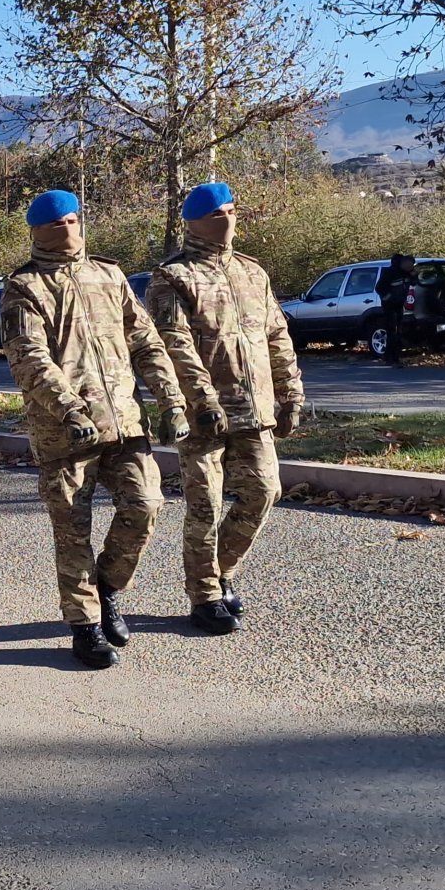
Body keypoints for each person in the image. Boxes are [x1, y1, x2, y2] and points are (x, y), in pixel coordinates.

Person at [2, 190, 189, 668]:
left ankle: (106, 587)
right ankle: (84, 626)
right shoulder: (25, 288)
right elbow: (30, 359)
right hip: (65, 433)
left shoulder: (109, 275)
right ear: (36, 231)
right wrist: (69, 409)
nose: (66, 229)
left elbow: (145, 342)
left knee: (145, 506)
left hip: (125, 423)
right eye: (54, 223)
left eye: (72, 219)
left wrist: (169, 398)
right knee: (72, 532)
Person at [145, 182, 306, 635]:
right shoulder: (173, 277)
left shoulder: (252, 273)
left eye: (233, 211)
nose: (228, 220)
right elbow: (173, 345)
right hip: (203, 416)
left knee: (263, 492)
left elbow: (276, 335)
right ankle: (205, 595)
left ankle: (221, 571)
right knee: (205, 505)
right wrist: (202, 399)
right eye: (217, 214)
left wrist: (290, 391)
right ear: (193, 222)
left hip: (253, 412)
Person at [375, 253, 415, 366]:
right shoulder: (389, 273)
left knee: (397, 331)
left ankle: (391, 356)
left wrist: (414, 275)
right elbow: (379, 288)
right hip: (389, 306)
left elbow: (414, 282)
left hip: (399, 304)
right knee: (392, 330)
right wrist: (388, 297)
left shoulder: (405, 273)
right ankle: (392, 358)